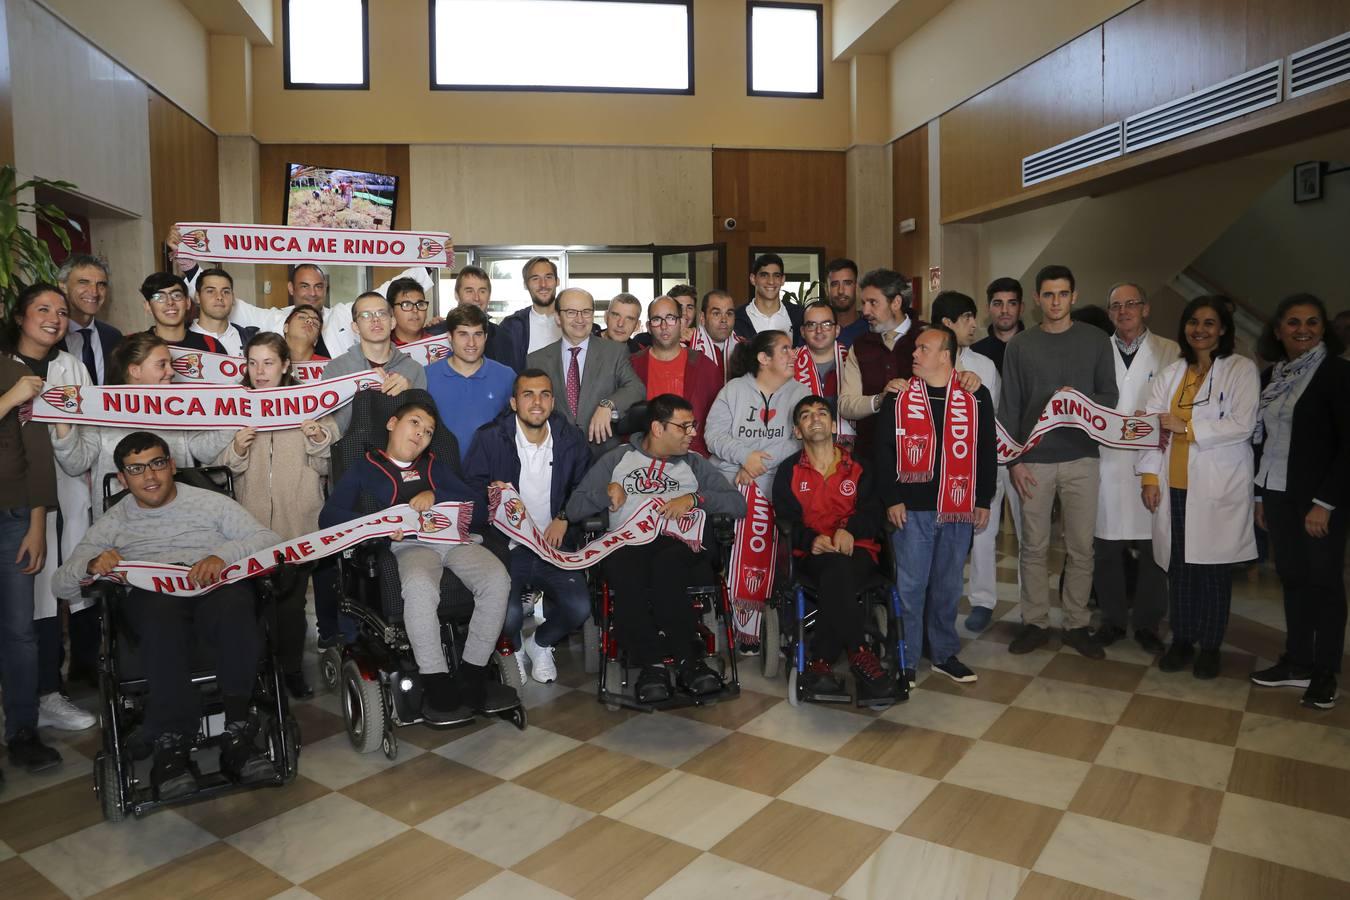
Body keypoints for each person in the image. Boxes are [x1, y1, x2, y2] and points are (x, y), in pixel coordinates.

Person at [53, 432, 282, 799]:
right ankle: (172, 745)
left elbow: (268, 539)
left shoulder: (210, 503)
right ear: (124, 479)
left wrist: (223, 555)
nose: (151, 476)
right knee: (159, 613)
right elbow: (61, 585)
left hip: (211, 587)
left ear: (172, 465)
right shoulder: (114, 522)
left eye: (158, 464)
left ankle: (238, 732)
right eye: (137, 469)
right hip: (154, 599)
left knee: (237, 601)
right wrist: (91, 564)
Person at [320, 400, 516, 721]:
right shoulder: (366, 467)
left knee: (497, 579)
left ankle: (472, 673)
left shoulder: (433, 467)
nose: (421, 435)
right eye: (415, 424)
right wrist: (381, 523)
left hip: (453, 541)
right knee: (420, 586)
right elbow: (328, 517)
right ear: (392, 423)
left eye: (428, 431)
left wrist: (436, 496)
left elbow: (478, 508)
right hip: (411, 547)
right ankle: (436, 681)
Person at [565, 393, 746, 703]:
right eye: (684, 427)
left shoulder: (693, 463)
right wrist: (605, 493)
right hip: (629, 541)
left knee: (666, 566)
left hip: (680, 543)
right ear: (658, 428)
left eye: (693, 426)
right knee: (624, 568)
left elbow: (737, 504)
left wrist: (694, 499)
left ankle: (689, 661)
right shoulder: (617, 459)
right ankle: (652, 664)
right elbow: (574, 508)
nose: (692, 433)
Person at [1000, 265, 1118, 659]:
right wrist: (1014, 461)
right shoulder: (1020, 346)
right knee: (1033, 545)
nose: (1055, 302)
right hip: (1033, 459)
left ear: (1074, 295)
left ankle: (1076, 623)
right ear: (1036, 299)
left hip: (1082, 456)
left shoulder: (1098, 341)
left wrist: (1078, 400)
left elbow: (1110, 397)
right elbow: (1010, 406)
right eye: (1048, 295)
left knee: (1082, 546)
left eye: (1062, 294)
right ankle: (1034, 622)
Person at [1137, 297, 1259, 679]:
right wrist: (1150, 477)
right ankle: (1183, 640)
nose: (1200, 330)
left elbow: (1243, 423)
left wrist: (1187, 428)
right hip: (1174, 486)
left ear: (1223, 329)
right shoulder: (1172, 372)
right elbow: (1153, 427)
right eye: (1193, 322)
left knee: (1213, 571)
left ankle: (1210, 646)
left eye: (1209, 323)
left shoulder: (1241, 369)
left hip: (1216, 487)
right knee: (1180, 568)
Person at [222, 333, 338, 699]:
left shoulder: (311, 403)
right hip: (250, 523)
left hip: (298, 520)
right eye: (253, 363)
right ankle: (259, 671)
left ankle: (290, 671)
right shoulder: (233, 403)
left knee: (290, 605)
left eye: (268, 362)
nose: (260, 371)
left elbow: (327, 464)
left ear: (286, 365)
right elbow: (219, 464)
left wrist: (316, 437)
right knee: (252, 605)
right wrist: (237, 448)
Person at [878, 326, 996, 687]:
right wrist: (892, 498)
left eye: (923, 348)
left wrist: (982, 499)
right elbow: (883, 452)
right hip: (912, 509)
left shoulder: (975, 396)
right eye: (915, 348)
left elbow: (986, 450)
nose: (914, 353)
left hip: (958, 507)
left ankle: (944, 654)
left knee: (947, 586)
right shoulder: (899, 396)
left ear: (945, 355)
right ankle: (907, 659)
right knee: (910, 587)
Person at [5, 284, 99, 729]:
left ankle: (49, 691)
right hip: (16, 503)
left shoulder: (72, 368)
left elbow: (85, 447)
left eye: (62, 312)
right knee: (30, 605)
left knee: (59, 595)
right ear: (20, 316)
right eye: (42, 309)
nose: (54, 318)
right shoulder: (7, 369)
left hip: (65, 498)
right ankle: (36, 694)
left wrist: (63, 433)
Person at [1250, 294, 1349, 708]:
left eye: (1311, 322)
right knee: (1292, 578)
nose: (1302, 329)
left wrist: (1323, 503)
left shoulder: (1338, 374)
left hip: (1319, 500)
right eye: (1293, 322)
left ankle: (1325, 672)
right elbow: (1262, 441)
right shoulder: (1272, 375)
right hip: (1277, 492)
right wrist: (1259, 495)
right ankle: (1298, 660)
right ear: (1278, 331)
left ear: (1323, 328)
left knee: (1324, 583)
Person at [463, 370, 591, 684]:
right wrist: (494, 504)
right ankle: (516, 647)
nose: (537, 402)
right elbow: (470, 492)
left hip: (553, 545)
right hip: (506, 547)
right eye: (527, 395)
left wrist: (565, 516)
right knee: (506, 615)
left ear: (553, 400)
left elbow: (586, 487)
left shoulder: (569, 438)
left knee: (579, 607)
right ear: (513, 402)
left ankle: (541, 644)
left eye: (545, 394)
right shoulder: (491, 437)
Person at [772, 395, 890, 702]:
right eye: (806, 415)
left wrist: (849, 530)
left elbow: (874, 510)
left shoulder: (860, 466)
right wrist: (810, 539)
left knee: (839, 569)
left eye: (822, 413)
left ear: (834, 424)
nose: (815, 418)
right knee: (834, 570)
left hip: (857, 550)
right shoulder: (788, 472)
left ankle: (822, 659)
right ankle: (859, 652)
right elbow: (786, 519)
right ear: (797, 430)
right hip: (814, 554)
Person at [169, 226, 434, 360]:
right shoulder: (272, 320)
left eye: (318, 287)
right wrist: (190, 266)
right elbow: (223, 302)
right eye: (304, 287)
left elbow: (387, 290)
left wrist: (430, 259)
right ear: (291, 289)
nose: (312, 294)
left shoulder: (342, 315)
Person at [50, 333, 237, 523]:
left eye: (170, 364)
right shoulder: (101, 411)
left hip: (179, 517)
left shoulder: (179, 407)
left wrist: (235, 417)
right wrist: (60, 419)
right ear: (135, 371)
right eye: (162, 364)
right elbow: (75, 464)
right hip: (120, 521)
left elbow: (202, 451)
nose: (171, 371)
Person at [1091, 282, 1180, 655]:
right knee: (1106, 546)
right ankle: (1112, 619)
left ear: (1145, 308)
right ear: (1109, 312)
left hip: (1152, 460)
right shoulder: (1097, 348)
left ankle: (1146, 623)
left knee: (1151, 545)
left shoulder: (1170, 351)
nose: (1124, 311)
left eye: (1131, 304)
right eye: (1116, 306)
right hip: (1106, 460)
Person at [0, 355, 63, 776]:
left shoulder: (11, 367)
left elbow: (35, 451)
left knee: (20, 633)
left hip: (14, 517)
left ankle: (23, 731)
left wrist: (38, 521)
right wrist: (7, 399)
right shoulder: (13, 385)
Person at [928, 290, 1002, 633]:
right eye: (967, 318)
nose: (974, 324)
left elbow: (992, 420)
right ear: (947, 323)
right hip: (937, 467)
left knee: (983, 532)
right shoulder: (926, 357)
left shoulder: (983, 364)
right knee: (942, 539)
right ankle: (941, 602)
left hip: (975, 463)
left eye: (974, 317)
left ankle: (983, 600)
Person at [527, 288, 645, 456]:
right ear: (558, 318)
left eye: (586, 312)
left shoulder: (615, 352)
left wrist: (607, 405)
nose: (580, 319)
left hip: (602, 454)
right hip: (553, 455)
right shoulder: (536, 360)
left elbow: (636, 388)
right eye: (571, 312)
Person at [705, 330, 810, 498]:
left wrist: (756, 465)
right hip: (727, 477)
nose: (794, 355)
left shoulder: (801, 393)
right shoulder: (733, 389)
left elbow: (801, 441)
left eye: (792, 349)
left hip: (776, 479)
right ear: (764, 359)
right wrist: (745, 456)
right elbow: (714, 436)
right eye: (785, 349)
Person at [838, 267, 924, 460]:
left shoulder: (929, 337)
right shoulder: (860, 346)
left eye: (873, 303)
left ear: (896, 302)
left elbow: (954, 388)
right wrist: (879, 400)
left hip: (921, 454)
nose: (865, 311)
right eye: (863, 303)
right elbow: (845, 404)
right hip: (872, 455)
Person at [322, 291, 427, 433]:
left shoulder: (414, 369)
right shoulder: (335, 369)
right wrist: (363, 390)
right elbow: (330, 431)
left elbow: (422, 427)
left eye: (381, 313)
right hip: (351, 452)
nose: (375, 320)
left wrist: (410, 395)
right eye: (365, 315)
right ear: (355, 327)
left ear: (392, 322)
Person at [630, 296, 722, 456]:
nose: (664, 326)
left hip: (691, 456)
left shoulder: (704, 367)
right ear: (649, 327)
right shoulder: (633, 365)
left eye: (671, 318)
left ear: (681, 323)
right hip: (643, 457)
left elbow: (719, 420)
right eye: (657, 319)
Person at [425, 304, 515, 458]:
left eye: (478, 334)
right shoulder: (426, 376)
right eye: (463, 334)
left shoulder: (507, 377)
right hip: (440, 474)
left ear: (486, 337)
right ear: (449, 337)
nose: (471, 343)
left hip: (491, 475)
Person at [57, 254, 121, 385]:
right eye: (83, 282)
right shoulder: (50, 337)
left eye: (101, 284)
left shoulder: (113, 337)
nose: (94, 292)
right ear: (63, 285)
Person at [499, 256, 564, 372]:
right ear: (525, 284)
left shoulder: (573, 321)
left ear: (557, 281)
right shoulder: (511, 327)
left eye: (548, 277)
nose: (543, 284)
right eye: (535, 279)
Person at [139, 272, 220, 353]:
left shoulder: (210, 346)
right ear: (148, 306)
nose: (170, 302)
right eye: (160, 297)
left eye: (176, 295)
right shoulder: (132, 345)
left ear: (188, 303)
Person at [734, 253, 804, 345]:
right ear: (753, 279)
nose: (771, 281)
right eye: (764, 275)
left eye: (776, 276)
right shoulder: (737, 318)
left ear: (783, 280)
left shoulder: (799, 315)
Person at [452, 265, 515, 368]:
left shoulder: (502, 337)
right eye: (469, 291)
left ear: (489, 296)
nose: (476, 298)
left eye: (482, 291)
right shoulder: (438, 335)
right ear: (456, 295)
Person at [795, 301, 848, 421]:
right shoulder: (789, 365)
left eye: (826, 324)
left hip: (846, 438)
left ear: (837, 330)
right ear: (802, 331)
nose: (819, 330)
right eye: (811, 325)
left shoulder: (853, 362)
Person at [189, 268, 256, 357]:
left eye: (226, 292)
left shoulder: (250, 339)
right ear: (197, 297)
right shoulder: (182, 337)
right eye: (210, 291)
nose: (219, 297)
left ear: (233, 298)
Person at [971, 276, 1024, 375]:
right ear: (987, 308)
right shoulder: (975, 352)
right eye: (997, 304)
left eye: (1012, 303)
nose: (1004, 310)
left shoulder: (1035, 349)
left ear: (1021, 308)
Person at [693, 288, 740, 382]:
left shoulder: (744, 348)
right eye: (716, 314)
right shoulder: (688, 348)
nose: (724, 320)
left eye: (729, 313)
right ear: (702, 317)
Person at [824, 258, 867, 348]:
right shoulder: (816, 331)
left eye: (847, 283)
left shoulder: (871, 328)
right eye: (834, 284)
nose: (840, 291)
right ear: (827, 290)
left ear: (856, 287)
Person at [388, 276, 433, 346]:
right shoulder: (383, 346)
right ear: (391, 311)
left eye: (420, 304)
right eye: (406, 305)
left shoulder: (437, 344)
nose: (415, 310)